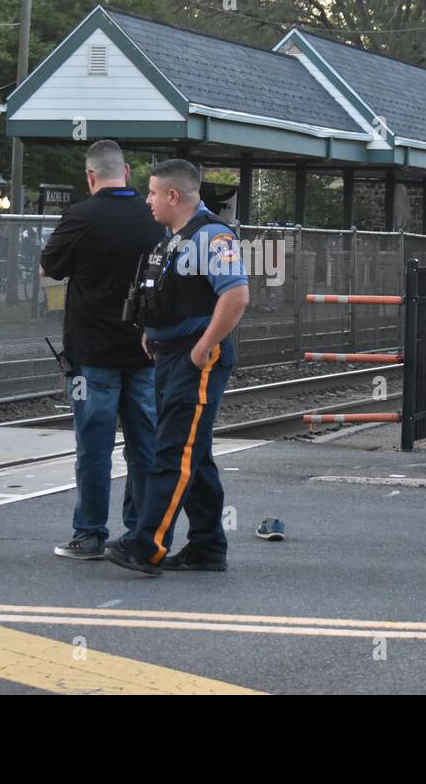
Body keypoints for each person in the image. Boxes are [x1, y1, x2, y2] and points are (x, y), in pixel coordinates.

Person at [106, 159, 249, 576]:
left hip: (194, 356)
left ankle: (146, 544)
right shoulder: (175, 237)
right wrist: (155, 331)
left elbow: (236, 296)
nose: (147, 200)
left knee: (172, 450)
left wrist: (204, 346)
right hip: (172, 352)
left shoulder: (212, 237)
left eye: (152, 192)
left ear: (173, 195)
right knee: (194, 451)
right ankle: (207, 545)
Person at [39, 140, 164, 560]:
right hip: (144, 351)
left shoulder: (80, 216)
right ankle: (141, 533)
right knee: (144, 443)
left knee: (92, 446)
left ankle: (89, 534)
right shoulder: (153, 216)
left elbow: (49, 267)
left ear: (90, 176)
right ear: (127, 172)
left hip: (90, 355)